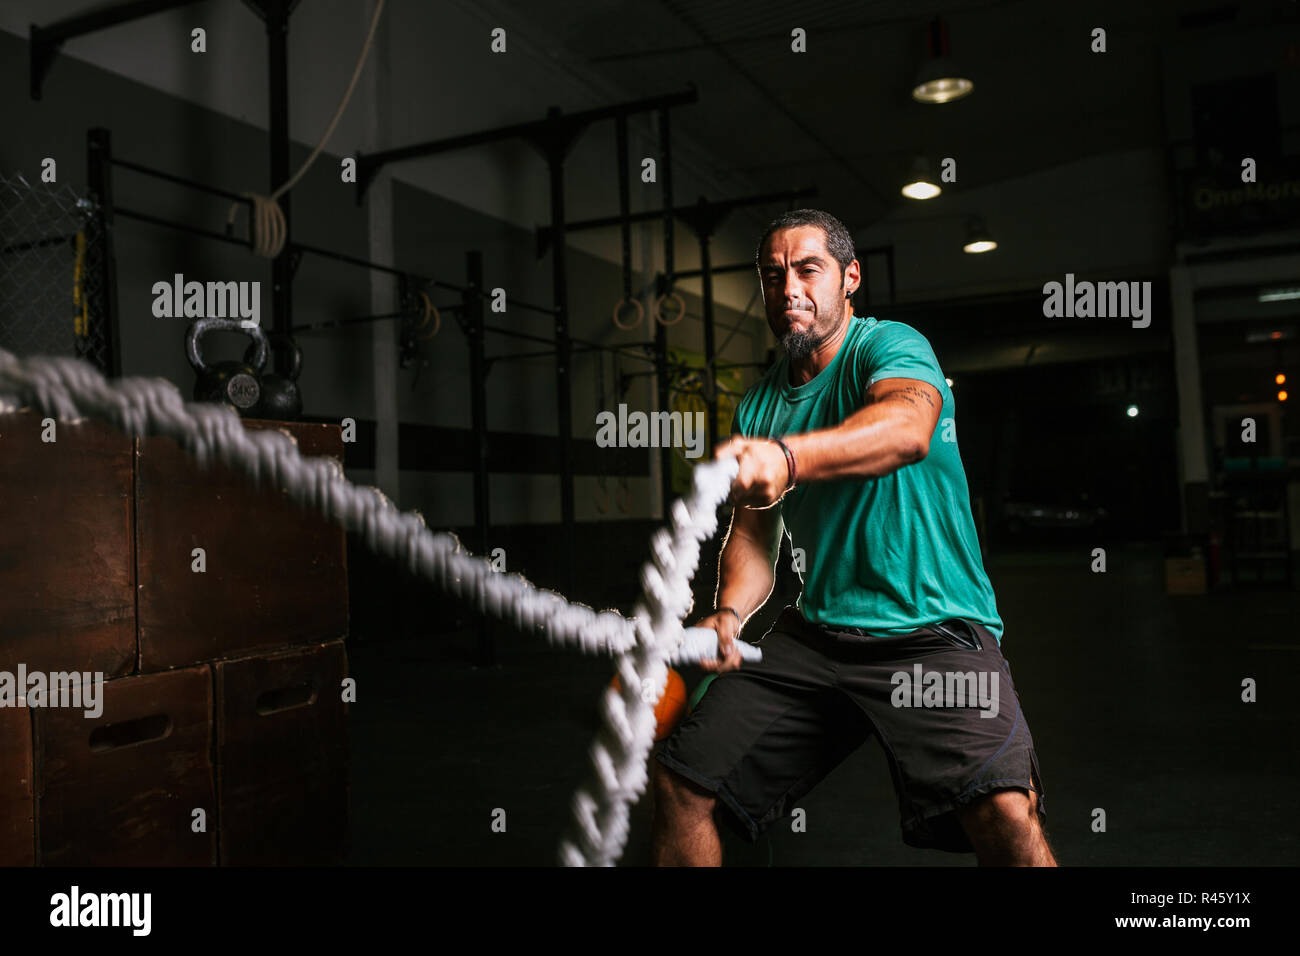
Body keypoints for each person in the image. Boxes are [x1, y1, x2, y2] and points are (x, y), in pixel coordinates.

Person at [650, 208, 1056, 867]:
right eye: (773, 275)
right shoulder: (758, 404)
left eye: (809, 269)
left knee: (1006, 811)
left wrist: (786, 458)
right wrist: (729, 611)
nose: (790, 290)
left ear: (850, 278)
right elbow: (754, 537)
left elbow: (905, 429)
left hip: (932, 628)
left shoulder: (889, 346)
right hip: (817, 639)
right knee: (682, 781)